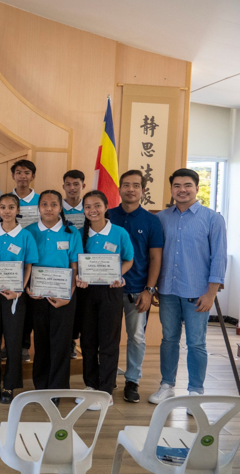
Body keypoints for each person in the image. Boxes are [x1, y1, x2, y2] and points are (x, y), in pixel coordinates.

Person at [149, 168, 227, 405]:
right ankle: (167, 385)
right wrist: (153, 287)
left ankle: (196, 391)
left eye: (187, 185)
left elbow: (219, 258)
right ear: (171, 189)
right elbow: (155, 255)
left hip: (198, 292)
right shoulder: (161, 218)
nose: (182, 190)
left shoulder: (213, 218)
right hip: (168, 291)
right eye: (177, 186)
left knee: (196, 342)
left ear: (196, 187)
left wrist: (211, 293)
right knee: (169, 339)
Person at [75, 190, 134, 409]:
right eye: (88, 206)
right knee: (88, 340)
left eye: (97, 205)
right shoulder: (79, 234)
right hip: (87, 292)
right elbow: (75, 262)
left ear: (106, 207)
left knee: (108, 341)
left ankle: (106, 390)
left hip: (111, 291)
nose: (93, 210)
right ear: (84, 210)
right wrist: (78, 277)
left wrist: (120, 275)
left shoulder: (119, 233)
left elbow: (129, 259)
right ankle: (90, 385)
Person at [108, 170, 163, 403]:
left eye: (136, 185)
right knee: (107, 336)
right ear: (119, 189)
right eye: (126, 185)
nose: (131, 189)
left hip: (137, 290)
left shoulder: (152, 221)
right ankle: (107, 379)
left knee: (137, 337)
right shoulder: (107, 215)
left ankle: (132, 380)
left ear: (142, 190)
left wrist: (149, 290)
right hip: (107, 289)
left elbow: (156, 259)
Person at [25, 190, 82, 395]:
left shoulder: (71, 232)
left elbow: (75, 267)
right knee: (40, 340)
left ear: (60, 207)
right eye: (44, 204)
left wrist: (68, 295)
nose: (49, 209)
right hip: (37, 294)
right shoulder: (29, 231)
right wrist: (28, 289)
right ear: (38, 208)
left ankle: (57, 389)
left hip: (64, 295)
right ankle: (41, 385)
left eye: (54, 205)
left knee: (61, 342)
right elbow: (25, 264)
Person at [0, 193, 38, 404]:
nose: (7, 211)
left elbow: (28, 266)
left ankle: (10, 384)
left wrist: (19, 291)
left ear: (18, 210)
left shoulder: (25, 236)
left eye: (11, 207)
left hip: (16, 297)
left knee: (14, 341)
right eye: (3, 207)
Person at [11, 159, 40, 362]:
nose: (22, 176)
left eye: (26, 172)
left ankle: (24, 346)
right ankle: (10, 344)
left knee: (29, 306)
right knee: (11, 304)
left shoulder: (41, 200)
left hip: (36, 258)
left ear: (33, 176)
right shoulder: (6, 199)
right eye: (19, 172)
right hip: (11, 261)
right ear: (13, 176)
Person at [62, 169, 86, 360]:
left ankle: (72, 341)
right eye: (68, 184)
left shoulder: (89, 207)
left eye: (76, 184)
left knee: (79, 307)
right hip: (62, 263)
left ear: (83, 186)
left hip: (88, 264)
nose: (72, 188)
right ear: (63, 187)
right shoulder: (56, 207)